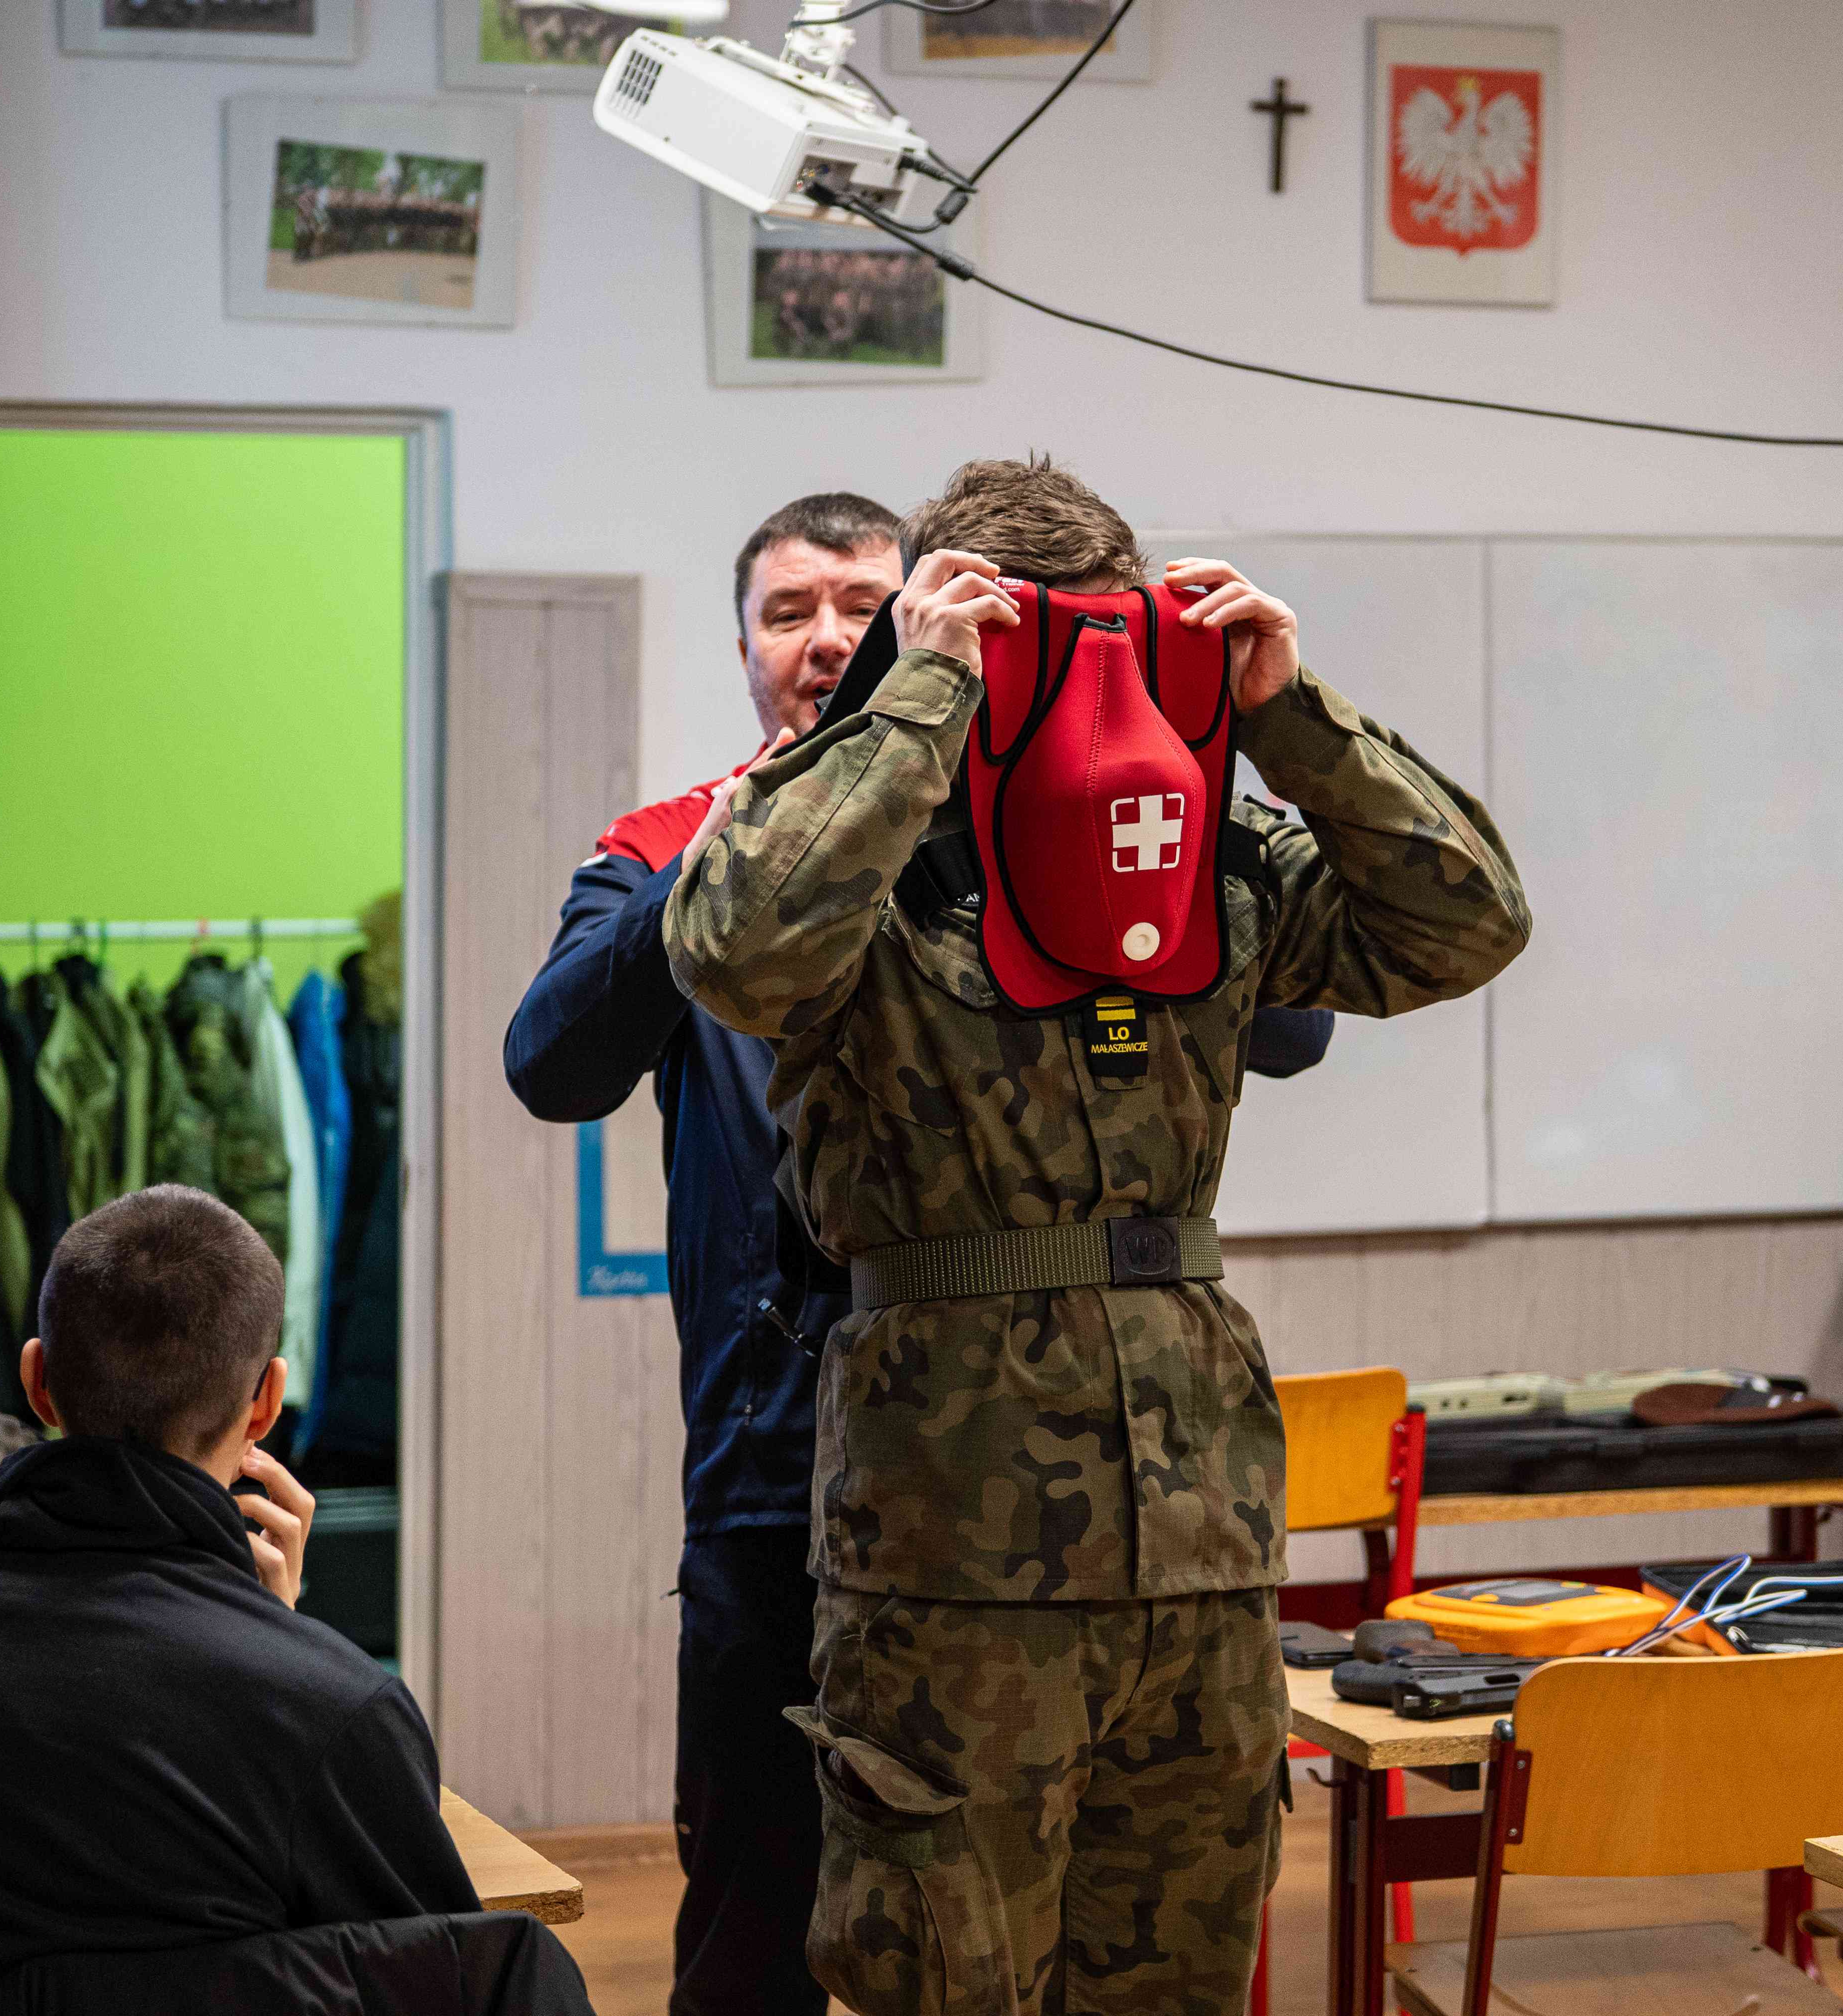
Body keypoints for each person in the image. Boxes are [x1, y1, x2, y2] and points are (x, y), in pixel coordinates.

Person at [660, 456, 1527, 2014]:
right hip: (953, 1542)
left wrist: (1288, 712)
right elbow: (734, 950)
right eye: (1028, 643)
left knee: (1179, 1976)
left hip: (1200, 1532)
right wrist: (921, 694)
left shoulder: (1193, 854)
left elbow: (1468, 922)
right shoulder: (868, 850)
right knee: (948, 1974)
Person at [502, 490, 1334, 2016]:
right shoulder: (678, 842)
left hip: (990, 1491)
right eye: (787, 612)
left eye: (859, 606)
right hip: (771, 1466)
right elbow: (552, 1063)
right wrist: (770, 830)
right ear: (744, 649)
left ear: (937, 625)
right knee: (755, 1909)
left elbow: (1293, 1029)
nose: (826, 640)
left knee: (1020, 1923)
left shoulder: (1040, 840)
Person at [0, 1185, 580, 2010]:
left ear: (37, 1380)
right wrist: (278, 1645)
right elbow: (434, 1983)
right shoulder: (334, 1707)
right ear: (266, 1402)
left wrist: (265, 1643)